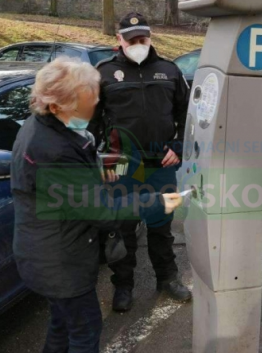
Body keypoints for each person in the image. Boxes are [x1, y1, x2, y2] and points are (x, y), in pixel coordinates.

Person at [11, 57, 183, 353]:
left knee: (62, 325)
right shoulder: (53, 148)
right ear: (56, 106)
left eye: (95, 100)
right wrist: (159, 203)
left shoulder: (46, 127)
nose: (93, 110)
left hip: (49, 251)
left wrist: (96, 167)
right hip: (61, 262)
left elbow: (66, 183)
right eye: (86, 104)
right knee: (85, 330)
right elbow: (103, 211)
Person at [89, 12, 191, 312]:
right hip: (122, 163)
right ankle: (123, 285)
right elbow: (92, 122)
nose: (138, 43)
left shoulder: (170, 71)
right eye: (131, 38)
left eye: (142, 38)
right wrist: (97, 158)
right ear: (119, 40)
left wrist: (180, 146)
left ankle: (167, 278)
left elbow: (186, 114)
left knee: (161, 225)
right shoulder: (104, 73)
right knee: (124, 227)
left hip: (161, 162)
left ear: (150, 37)